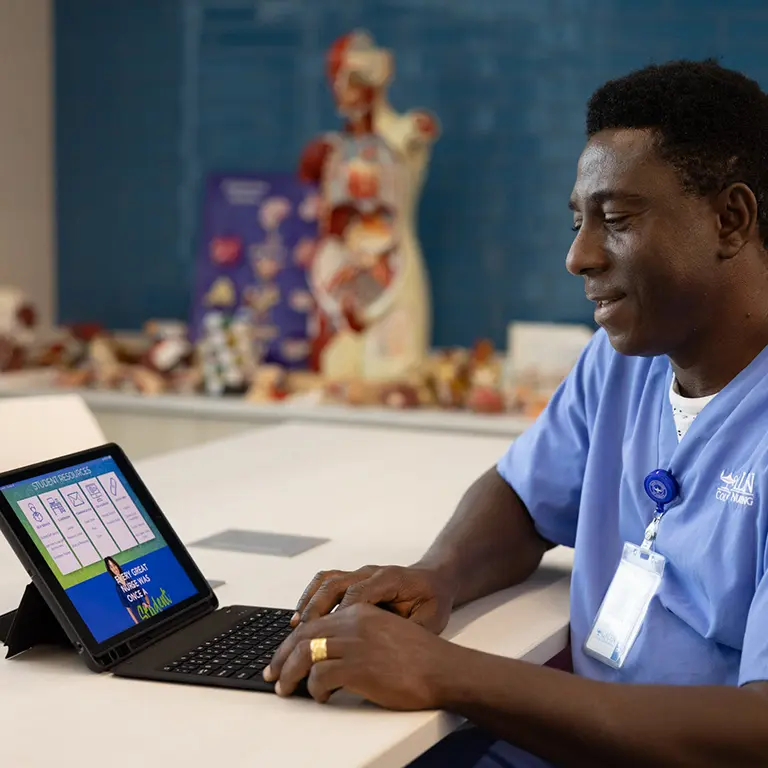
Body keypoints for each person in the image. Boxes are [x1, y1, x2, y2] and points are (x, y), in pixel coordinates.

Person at [263, 58, 768, 767]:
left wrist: (447, 672)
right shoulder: (621, 363)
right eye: (578, 221)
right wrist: (437, 574)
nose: (579, 256)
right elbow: (526, 498)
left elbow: (758, 731)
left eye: (616, 220)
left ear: (730, 219)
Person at [104, 556, 151, 625]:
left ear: (117, 565)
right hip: (138, 615)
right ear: (110, 570)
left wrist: (148, 604)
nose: (114, 568)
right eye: (111, 567)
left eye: (114, 565)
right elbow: (128, 608)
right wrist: (137, 623)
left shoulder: (129, 579)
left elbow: (143, 592)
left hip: (145, 610)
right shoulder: (118, 587)